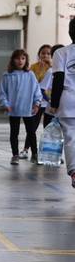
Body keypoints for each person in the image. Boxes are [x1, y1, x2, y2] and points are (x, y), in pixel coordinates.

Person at [0, 49, 42, 165]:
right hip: (13, 109)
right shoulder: (7, 75)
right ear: (13, 60)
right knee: (14, 133)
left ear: (26, 60)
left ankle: (35, 154)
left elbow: (36, 91)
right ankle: (15, 155)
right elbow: (2, 93)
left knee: (31, 132)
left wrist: (37, 103)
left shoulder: (30, 74)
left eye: (23, 58)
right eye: (17, 58)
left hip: (28, 108)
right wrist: (5, 104)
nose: (20, 61)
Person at [50, 19, 75, 188]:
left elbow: (58, 79)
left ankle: (74, 172)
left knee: (71, 138)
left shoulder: (61, 53)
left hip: (68, 99)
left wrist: (54, 103)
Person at [20, 44, 52, 159]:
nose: (45, 55)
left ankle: (50, 152)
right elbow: (30, 83)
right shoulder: (33, 67)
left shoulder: (54, 68)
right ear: (39, 54)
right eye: (43, 53)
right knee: (32, 127)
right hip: (37, 102)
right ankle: (25, 149)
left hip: (49, 103)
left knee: (49, 128)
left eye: (48, 53)